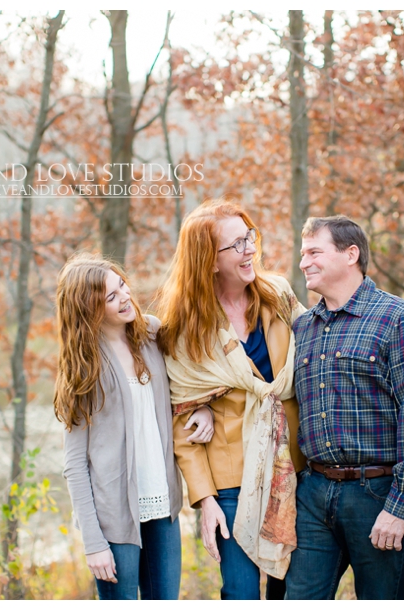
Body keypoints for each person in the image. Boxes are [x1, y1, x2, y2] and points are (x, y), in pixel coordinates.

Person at [156, 199, 307, 600]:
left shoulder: (277, 295)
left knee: (291, 591)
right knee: (240, 593)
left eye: (249, 236)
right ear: (208, 260)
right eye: (236, 244)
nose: (250, 249)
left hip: (292, 468)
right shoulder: (188, 329)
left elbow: (312, 358)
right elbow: (182, 419)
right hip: (231, 482)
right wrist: (205, 500)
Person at [286, 216, 404, 600]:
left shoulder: (398, 320)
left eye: (314, 252)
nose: (303, 262)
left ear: (350, 254)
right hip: (313, 493)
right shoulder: (302, 327)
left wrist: (401, 506)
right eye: (302, 253)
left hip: (376, 494)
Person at [55, 252, 213, 600]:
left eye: (122, 286)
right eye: (111, 297)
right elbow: (75, 465)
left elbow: (189, 385)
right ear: (89, 309)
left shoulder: (152, 335)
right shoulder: (84, 367)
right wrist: (94, 543)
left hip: (163, 509)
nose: (125, 297)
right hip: (114, 519)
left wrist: (202, 409)